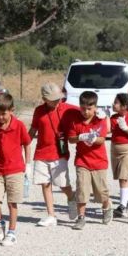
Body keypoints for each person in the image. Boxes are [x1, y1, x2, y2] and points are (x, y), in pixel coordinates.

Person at [28, 83, 78, 226]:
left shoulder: (67, 108)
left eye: (59, 98)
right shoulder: (39, 111)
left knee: (62, 184)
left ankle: (72, 197)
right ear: (45, 99)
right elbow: (33, 129)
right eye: (54, 99)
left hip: (59, 153)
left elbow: (84, 112)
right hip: (41, 153)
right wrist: (23, 142)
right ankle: (51, 215)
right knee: (45, 184)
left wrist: (98, 115)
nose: (58, 101)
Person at [0, 93, 31, 246]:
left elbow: (27, 143)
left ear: (12, 110)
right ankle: (0, 223)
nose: (0, 117)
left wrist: (28, 164)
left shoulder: (19, 126)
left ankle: (12, 232)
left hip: (15, 170)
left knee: (12, 203)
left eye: (3, 113)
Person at [65, 91, 112, 230]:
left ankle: (107, 207)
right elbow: (71, 139)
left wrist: (94, 139)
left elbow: (102, 139)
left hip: (99, 162)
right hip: (82, 162)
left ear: (95, 107)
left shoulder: (100, 120)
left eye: (89, 109)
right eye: (83, 108)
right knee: (81, 190)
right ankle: (81, 217)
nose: (86, 112)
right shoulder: (76, 121)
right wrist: (81, 137)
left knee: (100, 191)